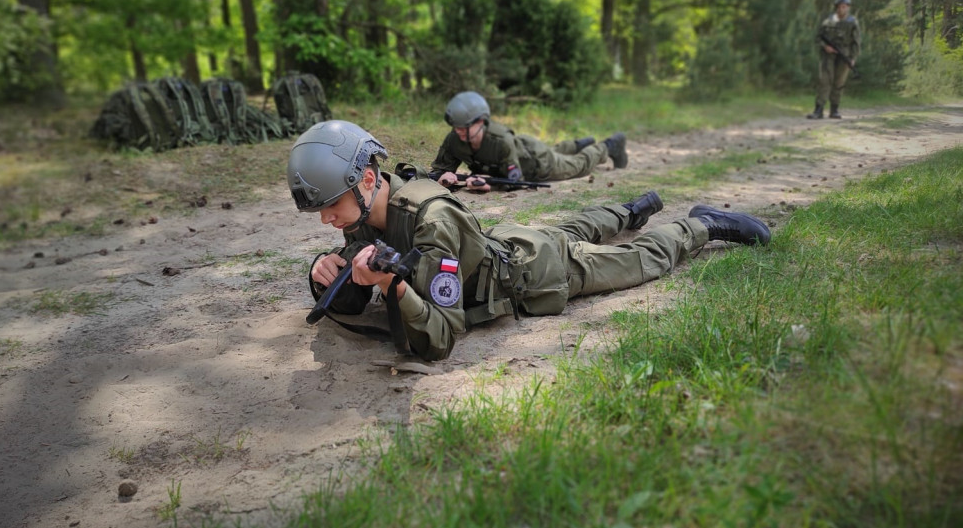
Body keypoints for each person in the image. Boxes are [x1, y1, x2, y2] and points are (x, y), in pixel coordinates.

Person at [288, 120, 772, 361]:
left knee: (640, 259)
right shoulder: (362, 213)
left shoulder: (429, 219)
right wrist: (322, 273)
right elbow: (354, 275)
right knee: (572, 228)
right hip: (508, 243)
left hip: (536, 274)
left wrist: (394, 289)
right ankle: (630, 209)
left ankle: (706, 224)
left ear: (367, 180)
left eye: (331, 205)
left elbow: (440, 336)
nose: (328, 219)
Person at [431, 91, 628, 191]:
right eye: (456, 127)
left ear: (481, 122)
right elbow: (439, 171)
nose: (460, 132)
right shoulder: (454, 139)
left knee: (579, 165)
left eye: (465, 127)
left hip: (538, 163)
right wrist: (444, 177)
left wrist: (485, 183)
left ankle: (609, 145)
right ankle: (577, 145)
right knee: (556, 150)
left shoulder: (501, 141)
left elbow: (515, 181)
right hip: (522, 148)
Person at [809, 0, 860, 120]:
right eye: (839, 7)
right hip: (828, 55)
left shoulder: (852, 22)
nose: (842, 9)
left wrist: (853, 58)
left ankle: (834, 110)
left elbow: (856, 42)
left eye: (844, 7)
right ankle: (818, 110)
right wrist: (825, 46)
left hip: (845, 55)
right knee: (824, 81)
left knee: (839, 83)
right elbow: (818, 38)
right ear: (836, 7)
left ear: (848, 8)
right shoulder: (828, 21)